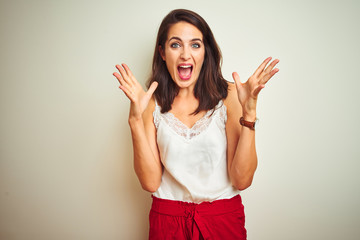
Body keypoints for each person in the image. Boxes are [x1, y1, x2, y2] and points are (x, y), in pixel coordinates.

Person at [113, 9, 279, 240]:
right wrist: (134, 121)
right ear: (162, 52)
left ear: (205, 52)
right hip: (167, 223)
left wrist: (249, 113)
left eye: (195, 45)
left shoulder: (230, 96)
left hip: (222, 221)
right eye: (175, 45)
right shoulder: (149, 101)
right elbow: (150, 183)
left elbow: (242, 179)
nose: (185, 55)